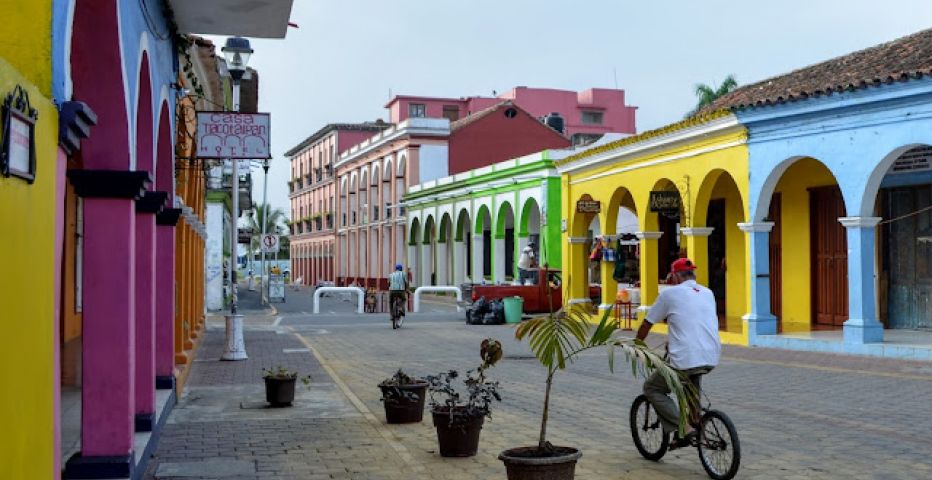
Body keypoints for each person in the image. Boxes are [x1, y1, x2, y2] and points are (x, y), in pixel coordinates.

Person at [636, 257, 721, 449]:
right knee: (690, 386)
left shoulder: (669, 294)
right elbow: (695, 322)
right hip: (710, 355)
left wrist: (637, 345)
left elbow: (647, 323)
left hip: (685, 358)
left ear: (675, 276)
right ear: (693, 275)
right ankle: (691, 423)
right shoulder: (707, 292)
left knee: (652, 388)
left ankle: (685, 428)